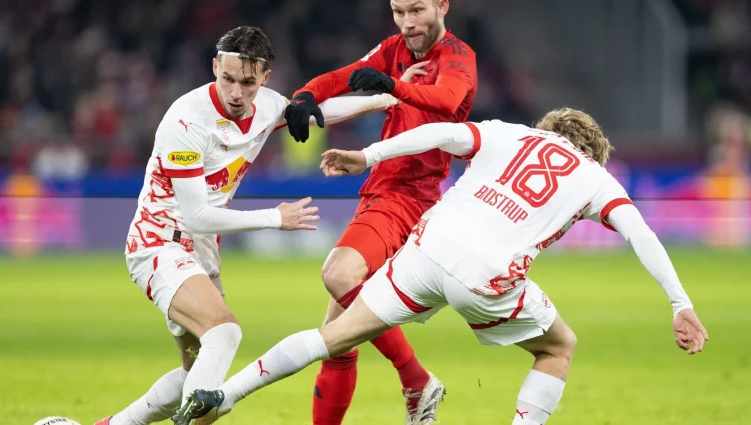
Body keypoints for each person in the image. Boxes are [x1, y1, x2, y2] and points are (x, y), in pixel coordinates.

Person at [174, 108, 709, 425]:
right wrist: (680, 304)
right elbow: (642, 233)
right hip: (487, 274)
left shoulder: (510, 132)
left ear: (547, 128)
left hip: (428, 246)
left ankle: (225, 393)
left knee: (335, 334)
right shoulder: (595, 177)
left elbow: (442, 134)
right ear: (593, 150)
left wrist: (368, 154)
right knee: (558, 347)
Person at [95, 25, 399, 425]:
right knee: (225, 333)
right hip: (159, 242)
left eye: (248, 83)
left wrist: (389, 97)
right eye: (228, 79)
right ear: (215, 66)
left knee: (195, 375)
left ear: (265, 78)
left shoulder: (269, 105)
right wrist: (275, 218)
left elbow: (318, 111)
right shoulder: (185, 123)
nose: (236, 93)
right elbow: (195, 215)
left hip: (201, 250)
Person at [283, 0, 477, 422]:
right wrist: (304, 96)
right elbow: (342, 77)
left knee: (337, 274)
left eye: (417, 11)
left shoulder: (458, 58)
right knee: (336, 338)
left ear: (442, 6)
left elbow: (446, 101)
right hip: (382, 190)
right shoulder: (394, 49)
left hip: (409, 194)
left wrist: (391, 87)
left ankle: (416, 378)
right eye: (398, 12)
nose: (407, 23)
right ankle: (413, 384)